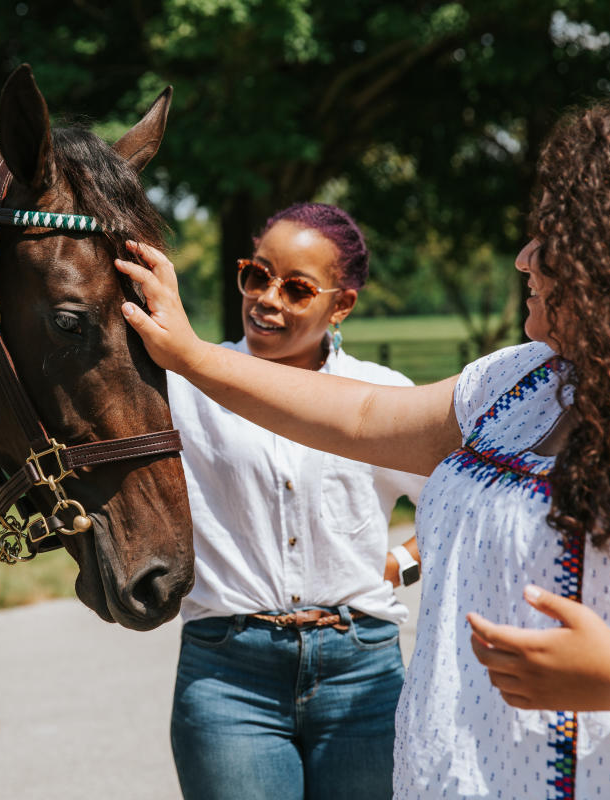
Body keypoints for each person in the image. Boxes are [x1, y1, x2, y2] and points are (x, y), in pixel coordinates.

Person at [115, 95, 610, 797]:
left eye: (554, 240)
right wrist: (190, 354)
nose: (524, 258)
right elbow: (362, 415)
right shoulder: (521, 381)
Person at [167, 203, 425, 800]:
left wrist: (399, 563)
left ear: (342, 305)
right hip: (229, 675)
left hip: (360, 668)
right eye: (257, 275)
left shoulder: (383, 395)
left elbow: (459, 506)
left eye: (297, 288)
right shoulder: (186, 388)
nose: (267, 298)